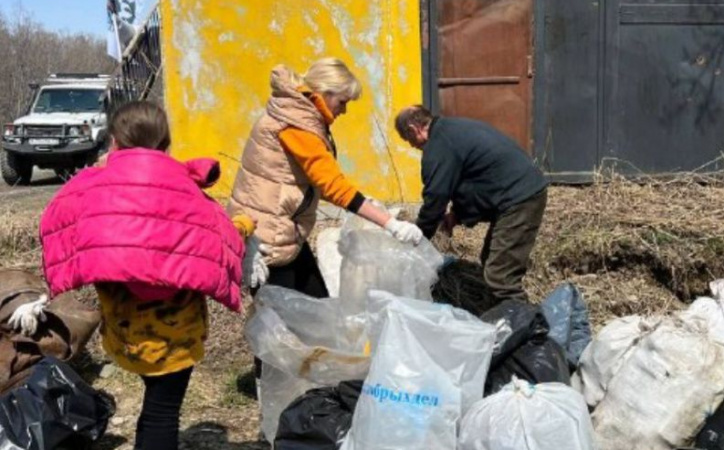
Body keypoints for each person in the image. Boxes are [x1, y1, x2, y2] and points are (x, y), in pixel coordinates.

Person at [11, 101, 255, 450]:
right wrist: (245, 224)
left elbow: (58, 223)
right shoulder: (186, 191)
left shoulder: (90, 190)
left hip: (125, 333)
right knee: (162, 413)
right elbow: (222, 237)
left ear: (113, 141)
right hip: (177, 337)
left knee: (154, 408)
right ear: (166, 143)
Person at [228, 58, 423, 294]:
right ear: (325, 92)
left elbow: (310, 180)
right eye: (343, 102)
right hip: (268, 238)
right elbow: (331, 185)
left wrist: (363, 201)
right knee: (292, 318)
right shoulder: (297, 125)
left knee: (311, 310)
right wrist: (390, 224)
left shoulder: (295, 114)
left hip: (280, 230)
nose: (344, 110)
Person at [394, 105, 548, 304]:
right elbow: (473, 181)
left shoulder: (439, 145)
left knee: (500, 278)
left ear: (414, 130)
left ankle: (527, 327)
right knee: (491, 263)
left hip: (519, 199)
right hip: (519, 193)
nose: (412, 146)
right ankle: (505, 319)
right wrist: (456, 215)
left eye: (408, 140)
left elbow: (436, 198)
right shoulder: (452, 131)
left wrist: (419, 236)